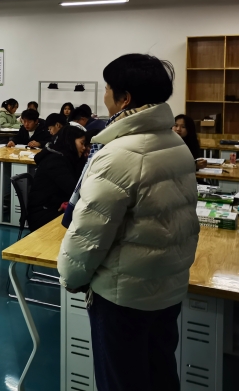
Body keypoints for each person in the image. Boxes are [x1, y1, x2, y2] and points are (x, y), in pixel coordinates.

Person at [58, 53, 199, 391]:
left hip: (123, 294)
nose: (104, 95)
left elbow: (90, 231)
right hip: (166, 285)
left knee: (121, 380)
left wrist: (71, 277)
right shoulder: (176, 143)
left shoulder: (119, 153)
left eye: (108, 88)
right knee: (160, 372)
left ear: (125, 98)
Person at [27, 125, 88, 231]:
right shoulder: (56, 161)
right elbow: (73, 190)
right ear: (70, 141)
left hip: (53, 206)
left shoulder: (66, 158)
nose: (84, 148)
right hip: (43, 213)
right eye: (82, 143)